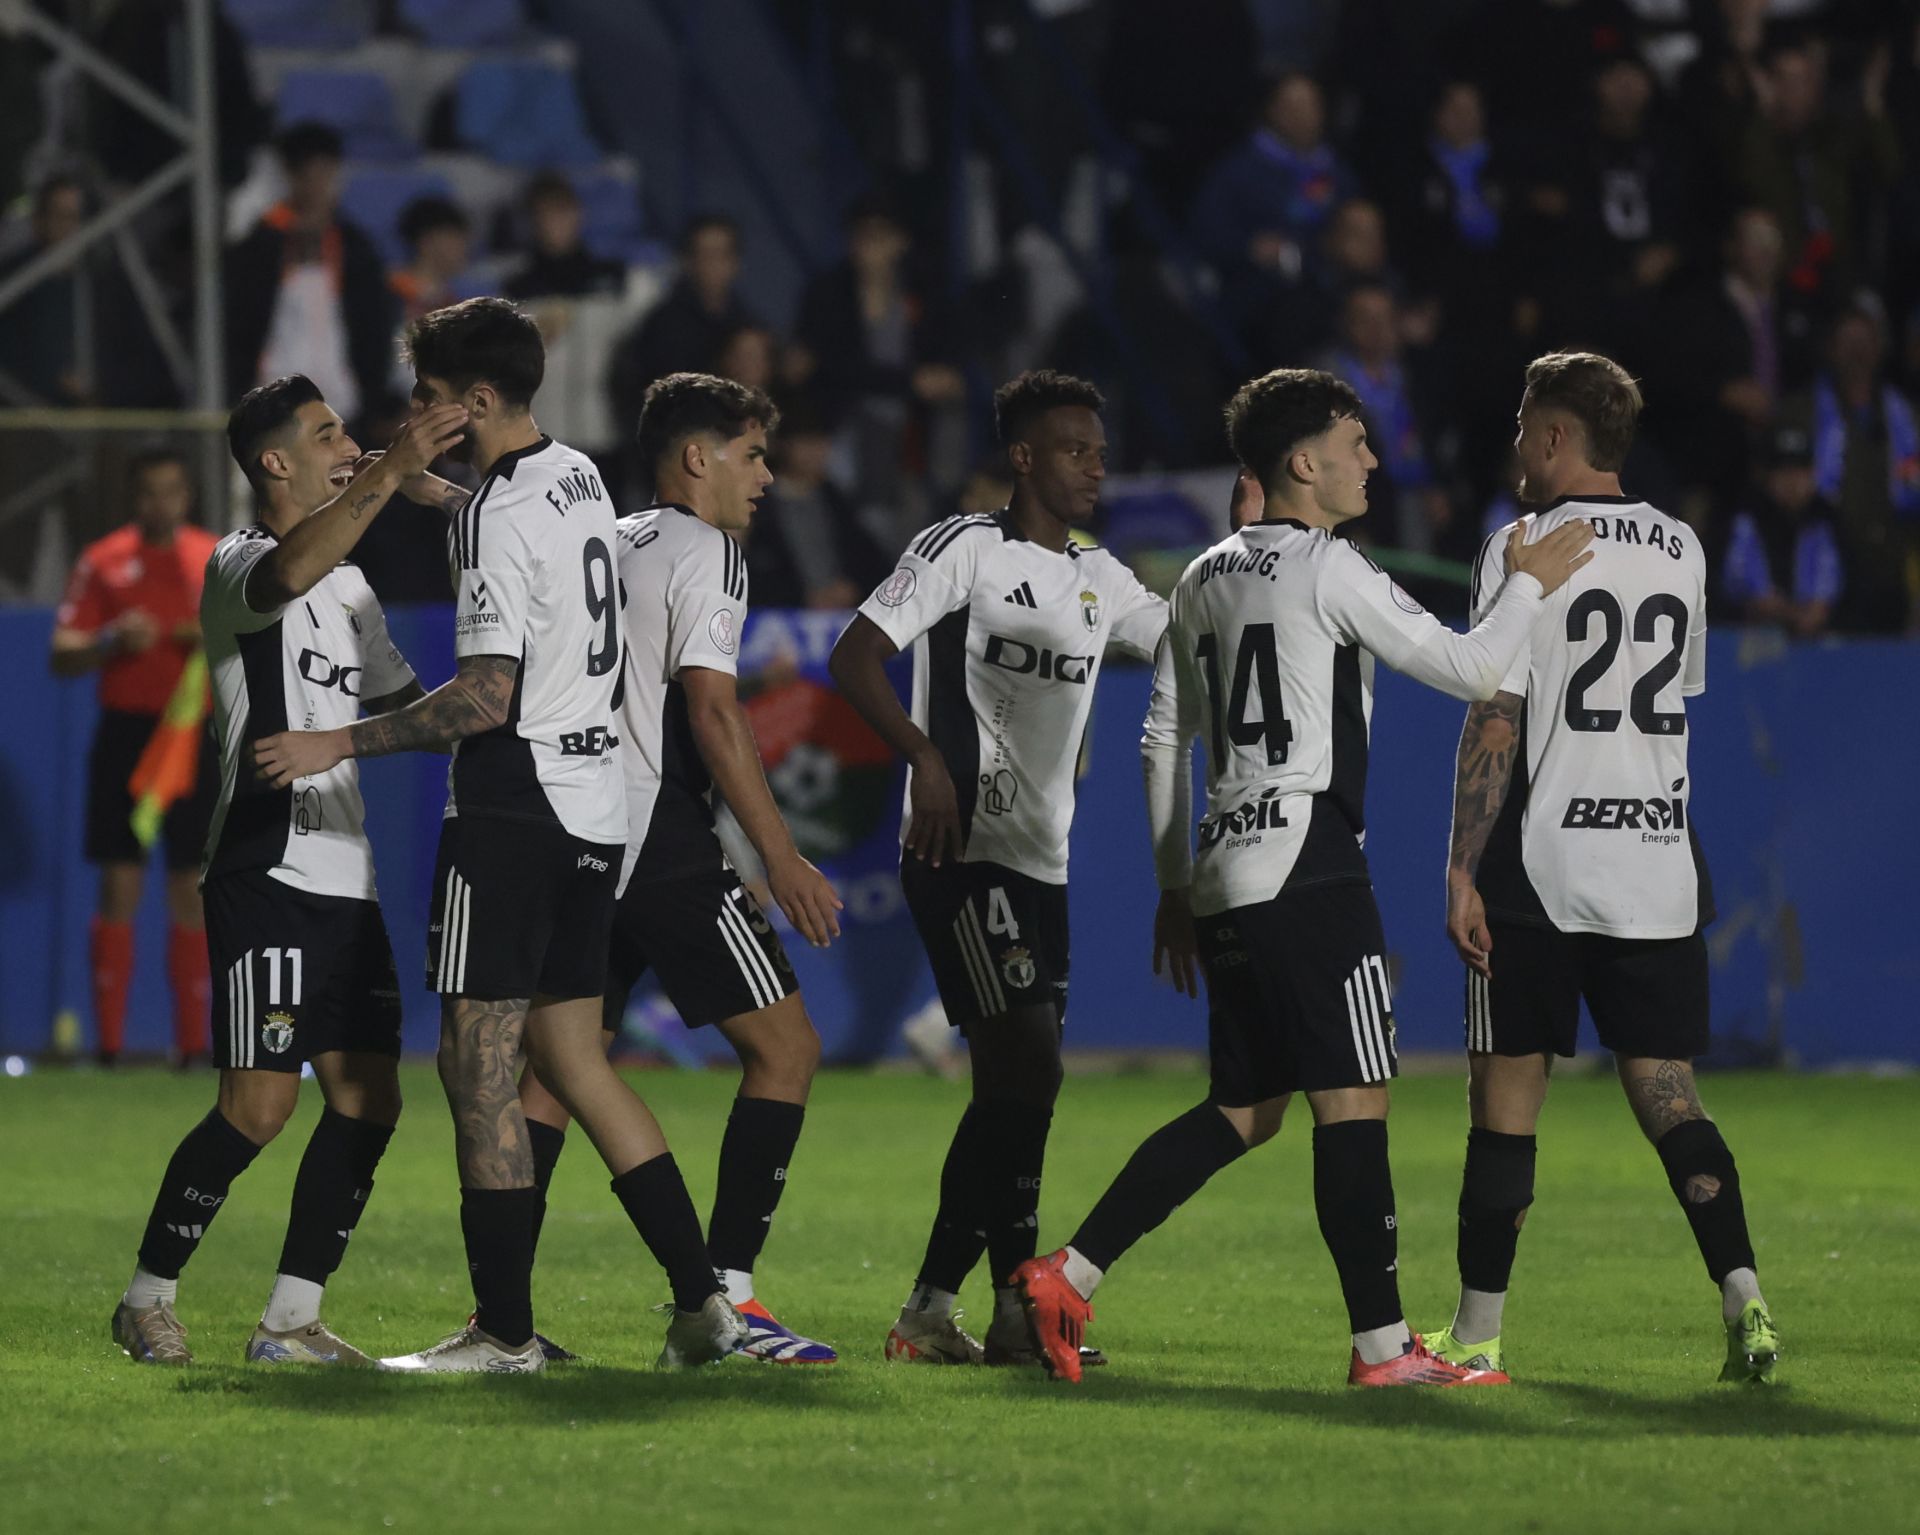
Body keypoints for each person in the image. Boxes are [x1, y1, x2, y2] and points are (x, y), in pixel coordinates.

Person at [1014, 367, 1595, 1387]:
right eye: (1355, 441)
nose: (1371, 458)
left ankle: (1065, 1273)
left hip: (1229, 866)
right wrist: (1530, 579)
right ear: (1303, 462)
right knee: (1355, 1096)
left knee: (1247, 1106)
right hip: (1312, 866)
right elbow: (1467, 668)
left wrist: (1174, 885)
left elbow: (1163, 739)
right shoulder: (1331, 566)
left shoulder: (1201, 575)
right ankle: (1383, 1347)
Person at [252, 299, 745, 1372]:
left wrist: (335, 737)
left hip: (513, 809)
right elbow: (505, 514)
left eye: (428, 398)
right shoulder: (578, 474)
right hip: (595, 811)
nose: (411, 413)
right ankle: (706, 1302)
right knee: (573, 1056)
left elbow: (481, 697)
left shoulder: (492, 518)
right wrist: (404, 477)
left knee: (476, 1067)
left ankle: (505, 1333)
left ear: (475, 400)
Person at [1428, 350, 1780, 1384]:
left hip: (1539, 866)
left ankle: (1478, 1334)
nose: (1515, 447)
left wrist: (1461, 866)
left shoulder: (1526, 541)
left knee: (1505, 1095)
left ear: (1552, 436)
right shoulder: (1681, 545)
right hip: (1657, 861)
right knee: (1671, 1091)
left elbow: (1496, 709)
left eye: (1523, 425)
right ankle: (1746, 1297)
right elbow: (1675, 698)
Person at [110, 374, 468, 1366]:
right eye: (327, 433)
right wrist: (395, 466)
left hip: (347, 876)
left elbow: (410, 710)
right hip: (266, 865)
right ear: (276, 462)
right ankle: (145, 1298)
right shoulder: (239, 562)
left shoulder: (352, 585)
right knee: (259, 1103)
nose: (346, 442)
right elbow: (292, 570)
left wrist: (507, 693)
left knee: (369, 1097)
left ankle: (291, 1322)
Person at [828, 371, 1168, 1368]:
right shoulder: (961, 548)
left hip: (1041, 865)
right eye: (1074, 449)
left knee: (1015, 1090)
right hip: (959, 850)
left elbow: (1183, 636)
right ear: (1024, 457)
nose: (1094, 466)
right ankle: (1021, 1306)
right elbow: (855, 656)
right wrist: (924, 757)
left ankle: (933, 1307)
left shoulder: (1105, 576)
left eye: (1100, 450)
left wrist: (1253, 560)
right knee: (1031, 1068)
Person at [514, 372, 843, 1364]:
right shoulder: (709, 549)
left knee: (555, 1075)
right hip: (657, 837)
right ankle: (728, 1304)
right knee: (787, 1048)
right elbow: (711, 709)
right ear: (696, 458)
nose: (767, 476)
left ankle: (506, 1319)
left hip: (573, 827)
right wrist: (779, 855)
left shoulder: (607, 540)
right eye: (751, 454)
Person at [51, 448, 220, 1066]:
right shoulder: (104, 562)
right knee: (120, 881)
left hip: (192, 735)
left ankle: (193, 1048)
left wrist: (216, 639)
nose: (161, 503)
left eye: (172, 491)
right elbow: (62, 652)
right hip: (126, 736)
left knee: (191, 886)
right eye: (149, 492)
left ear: (187, 496)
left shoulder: (215, 558)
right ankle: (112, 1050)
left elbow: (256, 642)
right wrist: (109, 642)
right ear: (134, 498)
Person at [225, 123, 395, 430]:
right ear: (290, 176)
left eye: (326, 174)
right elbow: (240, 321)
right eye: (309, 175)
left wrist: (372, 393)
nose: (318, 185)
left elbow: (373, 324)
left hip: (342, 395)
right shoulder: (260, 245)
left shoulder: (355, 247)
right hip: (272, 390)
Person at [1719, 424, 1843, 637]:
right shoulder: (1744, 517)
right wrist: (1754, 605)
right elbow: (1719, 587)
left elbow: (1852, 590)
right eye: (1783, 470)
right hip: (1749, 642)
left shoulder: (1829, 520)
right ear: (1767, 476)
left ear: (1813, 474)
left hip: (1824, 644)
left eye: (1799, 470)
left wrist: (1824, 612)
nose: (1792, 480)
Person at [502, 172, 625, 301]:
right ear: (534, 221)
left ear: (578, 213)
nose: (559, 221)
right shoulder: (518, 290)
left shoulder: (613, 276)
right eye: (548, 213)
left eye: (563, 209)